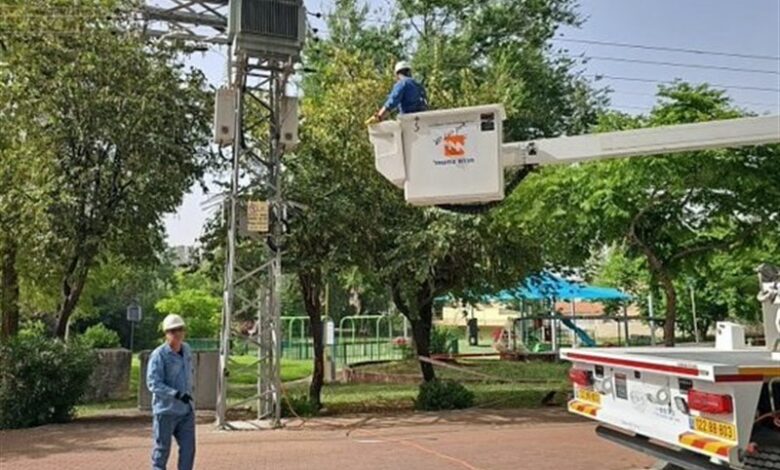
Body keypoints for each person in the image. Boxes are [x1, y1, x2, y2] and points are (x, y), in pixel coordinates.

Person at [147, 314, 195, 470]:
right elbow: (153, 383)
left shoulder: (187, 350)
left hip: (186, 411)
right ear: (166, 334)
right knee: (161, 451)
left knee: (189, 450)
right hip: (166, 411)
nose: (178, 334)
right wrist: (175, 394)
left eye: (180, 329)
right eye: (173, 331)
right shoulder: (159, 355)